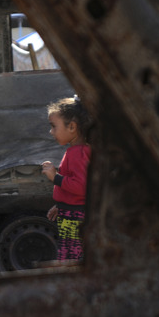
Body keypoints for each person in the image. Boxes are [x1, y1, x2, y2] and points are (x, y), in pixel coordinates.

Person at [41, 97, 91, 263]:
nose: (51, 132)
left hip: (75, 217)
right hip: (71, 212)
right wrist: (61, 205)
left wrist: (55, 177)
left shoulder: (78, 153)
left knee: (73, 259)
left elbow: (81, 186)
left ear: (72, 127)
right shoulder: (77, 151)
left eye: (54, 126)